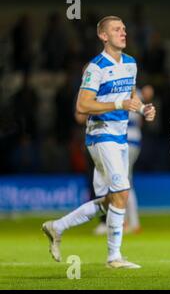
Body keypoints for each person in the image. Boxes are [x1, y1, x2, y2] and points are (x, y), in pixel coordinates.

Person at [42, 16, 156, 268]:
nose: (123, 33)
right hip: (101, 135)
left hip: (121, 136)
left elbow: (129, 99)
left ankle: (57, 226)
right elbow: (82, 106)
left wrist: (144, 109)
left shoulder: (131, 64)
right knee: (122, 193)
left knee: (110, 201)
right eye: (116, 29)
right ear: (103, 36)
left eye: (124, 29)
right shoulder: (96, 67)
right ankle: (114, 257)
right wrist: (120, 104)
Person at [93, 84, 154, 235]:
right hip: (134, 139)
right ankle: (131, 222)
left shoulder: (116, 91)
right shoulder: (136, 91)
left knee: (121, 181)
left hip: (124, 138)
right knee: (125, 179)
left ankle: (127, 222)